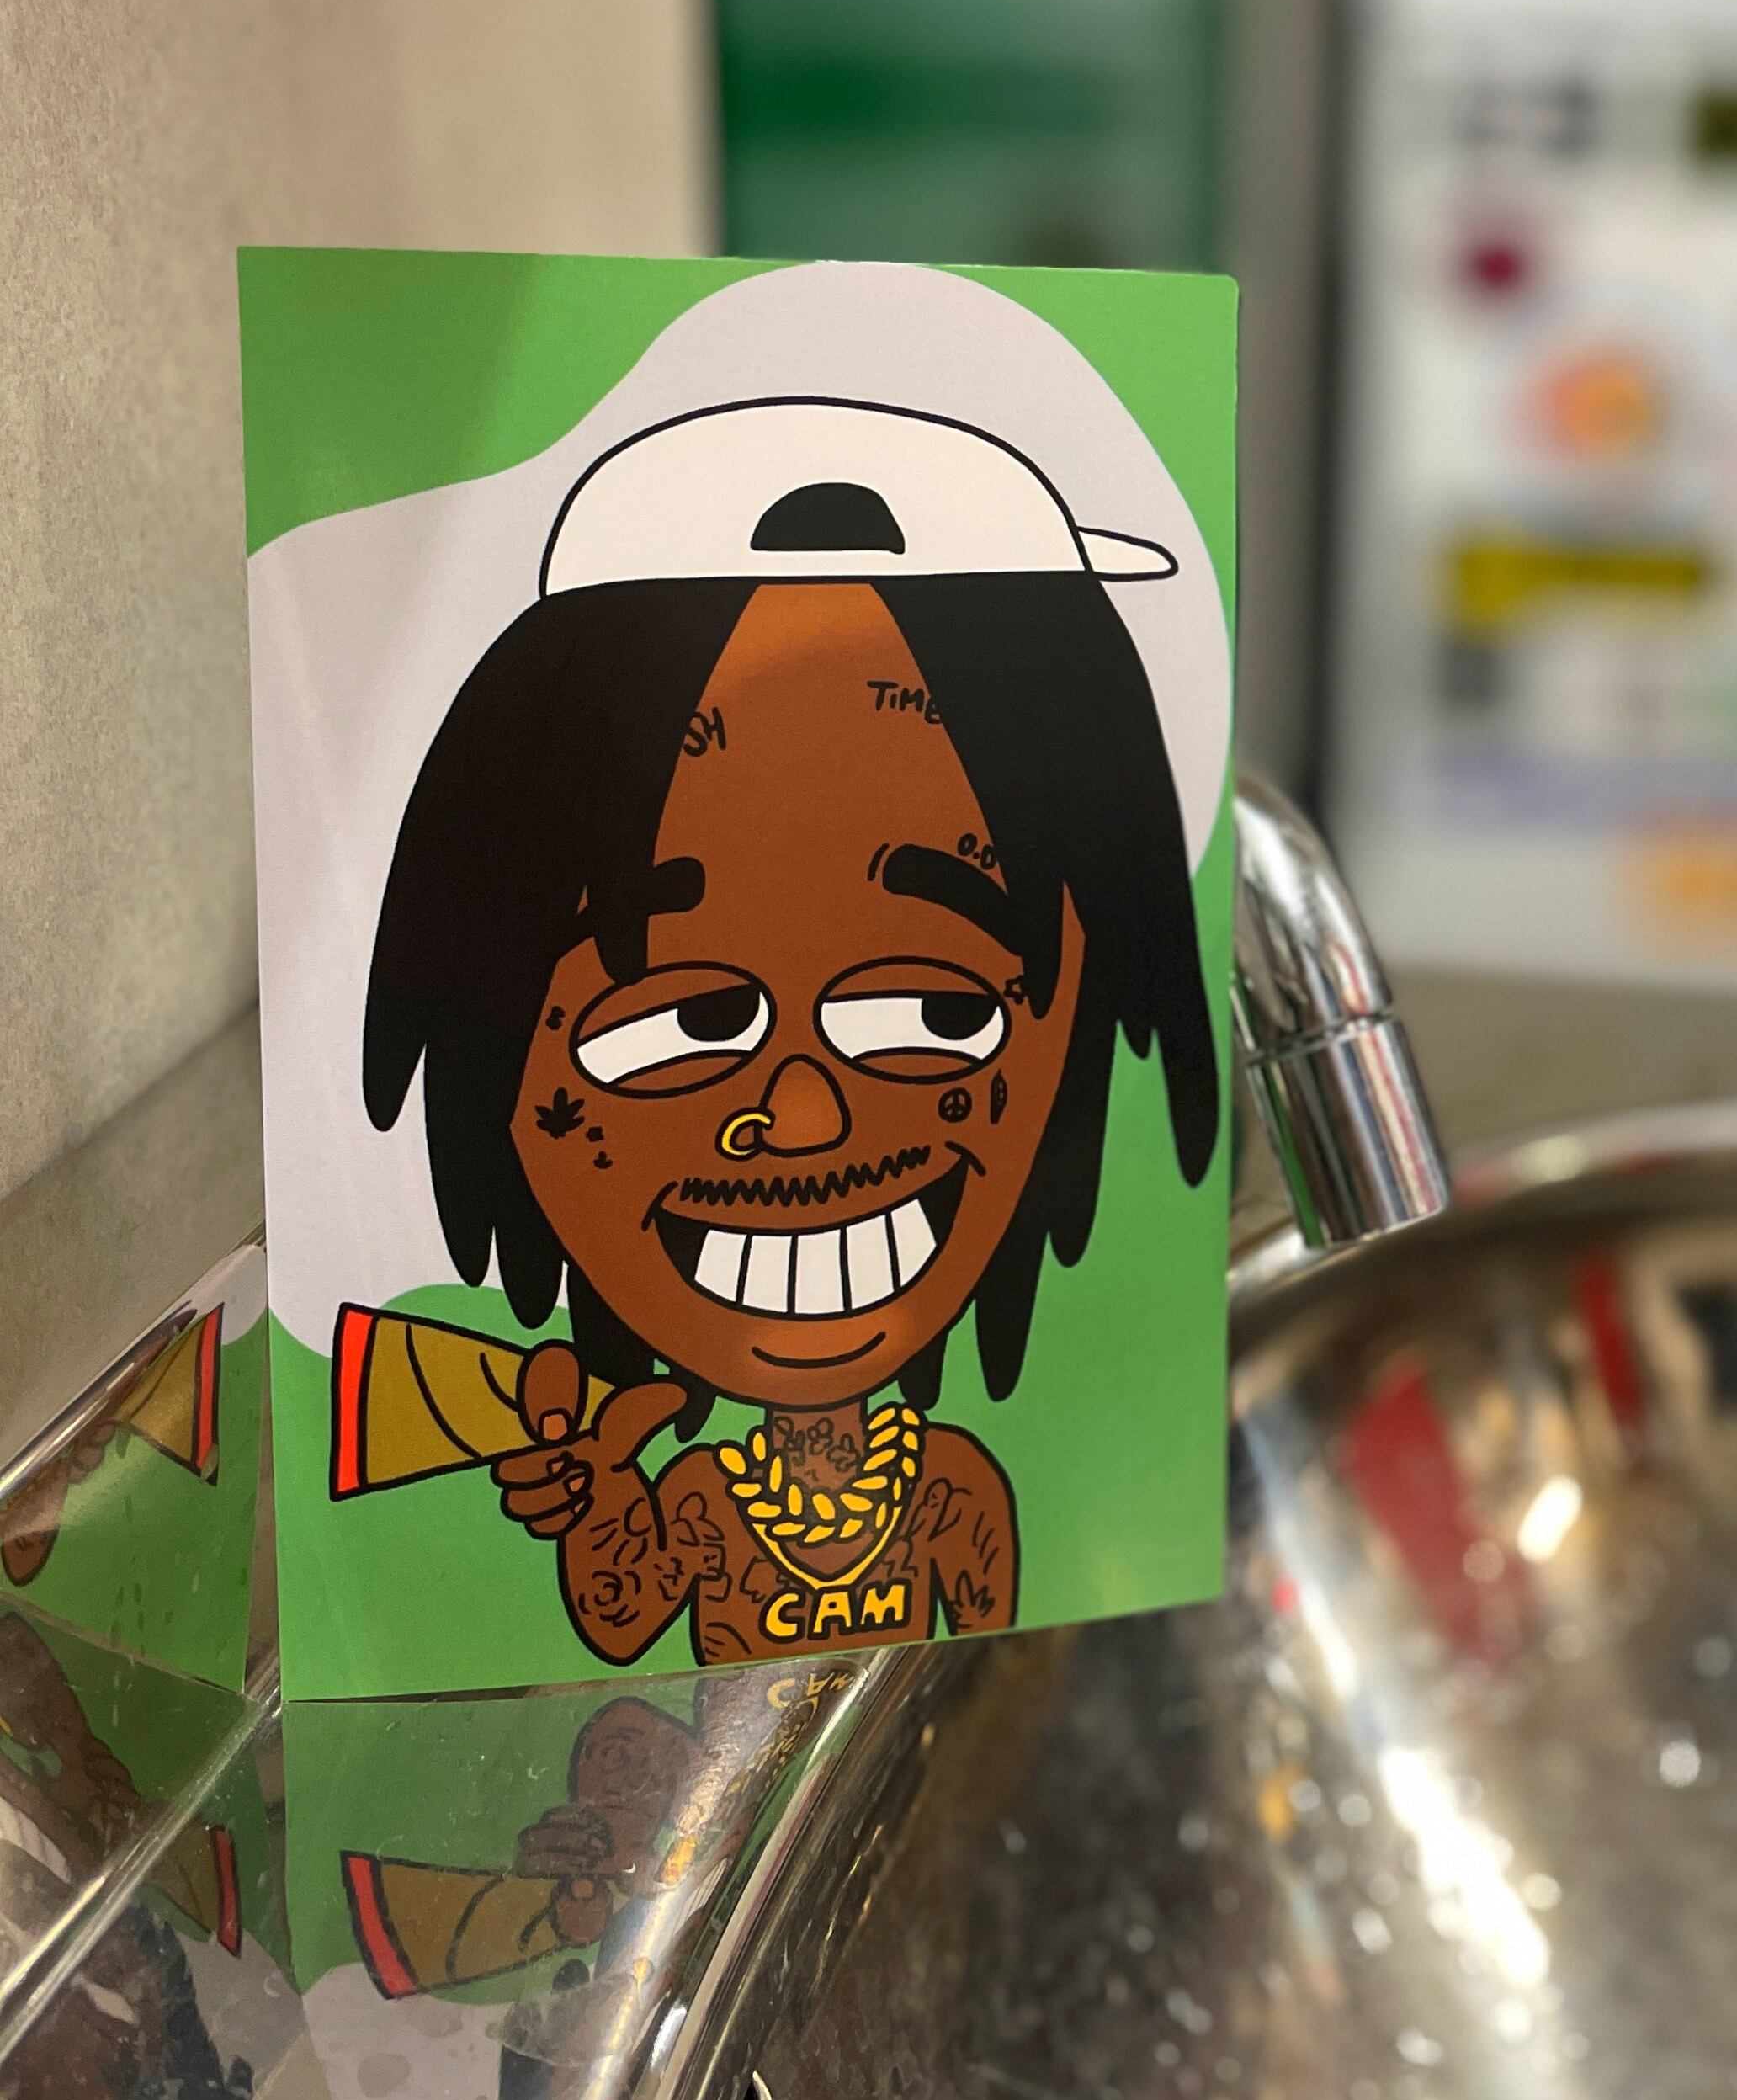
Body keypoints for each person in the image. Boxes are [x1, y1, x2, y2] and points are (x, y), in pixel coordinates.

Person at [358, 399, 1218, 1666]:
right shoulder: (704, 1497)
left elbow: (997, 1687)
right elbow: (622, 1619)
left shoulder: (957, 1490)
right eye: (680, 1026)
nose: (805, 1117)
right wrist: (596, 1502)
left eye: (937, 1013)